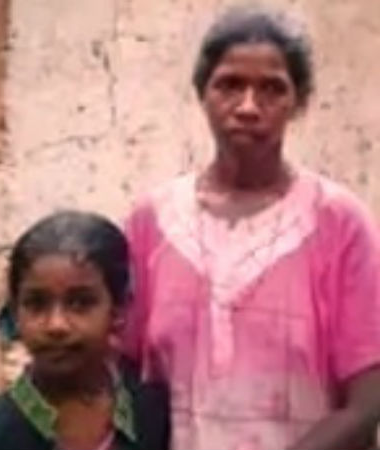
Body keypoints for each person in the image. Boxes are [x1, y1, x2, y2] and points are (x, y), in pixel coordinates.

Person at [123, 6, 380, 450]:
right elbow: (121, 372)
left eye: (272, 89)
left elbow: (368, 403)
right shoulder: (152, 222)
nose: (247, 107)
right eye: (229, 85)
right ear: (202, 93)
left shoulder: (339, 222)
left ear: (298, 102)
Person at [0, 211, 170, 450]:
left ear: (118, 310)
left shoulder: (154, 416)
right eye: (36, 304)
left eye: (80, 303)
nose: (56, 325)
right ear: (15, 313)